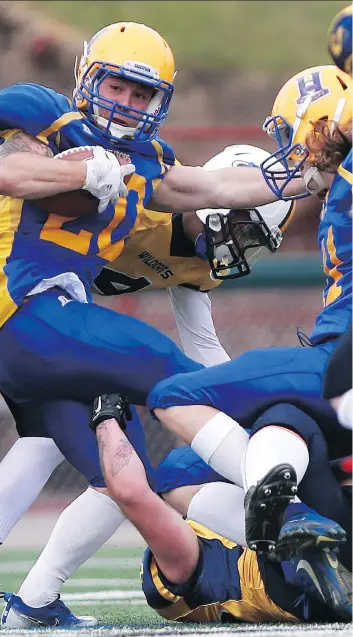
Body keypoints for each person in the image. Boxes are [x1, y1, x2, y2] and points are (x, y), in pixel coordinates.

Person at [0, 21, 307, 627]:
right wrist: (74, 171)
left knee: (123, 472)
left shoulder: (152, 172)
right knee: (162, 366)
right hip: (23, 303)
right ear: (89, 78)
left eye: (143, 95)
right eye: (118, 87)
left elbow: (207, 183)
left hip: (58, 323)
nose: (128, 104)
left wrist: (312, 176)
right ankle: (289, 509)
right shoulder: (50, 116)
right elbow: (12, 173)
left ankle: (33, 603)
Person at [147, 64, 352, 551]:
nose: (290, 149)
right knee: (186, 462)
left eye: (290, 132)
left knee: (170, 396)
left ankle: (290, 534)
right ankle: (320, 547)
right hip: (325, 376)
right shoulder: (334, 188)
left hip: (337, 362)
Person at [91, 397, 352, 623]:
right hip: (292, 572)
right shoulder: (182, 569)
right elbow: (130, 493)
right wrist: (106, 415)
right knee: (287, 417)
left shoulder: (199, 567)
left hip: (303, 594)